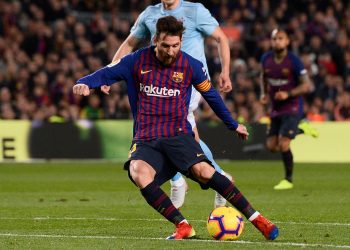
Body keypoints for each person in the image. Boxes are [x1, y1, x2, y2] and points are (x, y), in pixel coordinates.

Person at [74, 16, 278, 240]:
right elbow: (105, 73)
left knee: (206, 172)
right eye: (165, 46)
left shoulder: (191, 65)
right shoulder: (135, 61)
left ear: (181, 42)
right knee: (138, 172)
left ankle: (259, 220)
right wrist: (85, 82)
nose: (171, 52)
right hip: (146, 138)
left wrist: (232, 124)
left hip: (178, 135)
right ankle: (183, 226)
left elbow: (212, 96)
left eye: (175, 46)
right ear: (155, 40)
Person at [100, 0, 233, 208]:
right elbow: (129, 44)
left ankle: (187, 179)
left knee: (170, 130)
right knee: (185, 136)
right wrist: (109, 73)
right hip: (159, 81)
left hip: (187, 83)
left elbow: (221, 38)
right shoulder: (150, 14)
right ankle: (215, 177)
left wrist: (225, 71)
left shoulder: (195, 10)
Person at [260, 29, 313, 190]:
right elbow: (263, 76)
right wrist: (264, 93)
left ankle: (288, 180)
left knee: (284, 144)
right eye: (275, 39)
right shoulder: (266, 58)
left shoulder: (294, 61)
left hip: (292, 106)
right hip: (276, 107)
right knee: (271, 146)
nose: (277, 41)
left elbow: (306, 85)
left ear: (287, 41)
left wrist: (288, 93)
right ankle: (300, 129)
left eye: (281, 38)